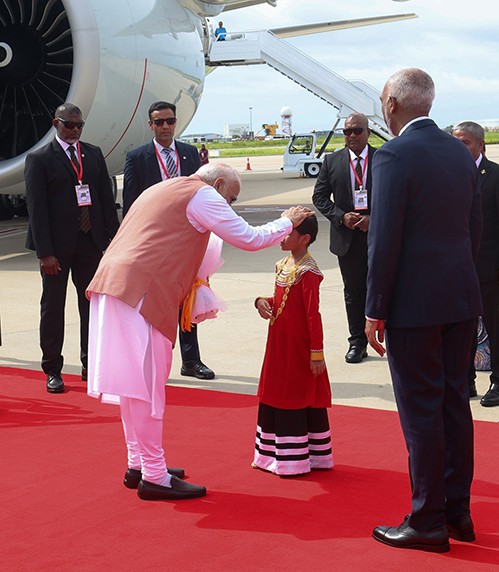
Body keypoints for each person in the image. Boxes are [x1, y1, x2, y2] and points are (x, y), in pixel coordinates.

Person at [86, 163, 313, 501]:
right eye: (231, 199)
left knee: (133, 387)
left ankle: (141, 464)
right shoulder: (203, 195)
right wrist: (287, 222)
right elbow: (249, 238)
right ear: (219, 184)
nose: (229, 207)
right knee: (147, 389)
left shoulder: (165, 187)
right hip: (140, 293)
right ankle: (154, 476)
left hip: (115, 286)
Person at [366, 68, 482, 553]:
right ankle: (458, 512)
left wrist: (375, 308)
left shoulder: (393, 154)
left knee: (421, 412)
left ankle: (427, 520)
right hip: (459, 296)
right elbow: (470, 226)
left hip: (415, 304)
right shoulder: (460, 150)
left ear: (391, 103)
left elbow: (384, 236)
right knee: (455, 405)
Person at [24, 103, 119, 394]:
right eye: (69, 125)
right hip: (56, 247)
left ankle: (90, 363)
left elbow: (105, 198)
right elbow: (36, 210)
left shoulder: (92, 154)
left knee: (91, 306)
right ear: (56, 123)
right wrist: (45, 252)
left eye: (79, 125)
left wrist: (113, 241)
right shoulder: (40, 159)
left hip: (89, 243)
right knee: (53, 308)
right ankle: (52, 368)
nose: (75, 130)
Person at [123, 101, 214, 381]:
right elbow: (131, 204)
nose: (165, 126)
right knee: (153, 303)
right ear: (150, 125)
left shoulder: (188, 154)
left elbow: (202, 195)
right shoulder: (137, 157)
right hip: (154, 242)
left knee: (187, 298)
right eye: (159, 122)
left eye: (170, 121)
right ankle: (149, 360)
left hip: (187, 239)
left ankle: (191, 360)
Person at [252, 215, 333, 476]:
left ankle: (294, 459)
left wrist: (316, 353)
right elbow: (280, 300)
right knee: (277, 390)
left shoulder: (308, 272)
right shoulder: (284, 264)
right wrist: (261, 301)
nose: (281, 237)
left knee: (295, 392)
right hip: (278, 344)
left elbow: (312, 314)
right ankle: (271, 455)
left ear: (304, 239)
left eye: (288, 233)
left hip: (298, 346)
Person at [452, 121, 499, 407]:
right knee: (461, 325)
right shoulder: (448, 174)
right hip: (457, 266)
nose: (459, 148)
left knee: (493, 323)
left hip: (490, 266)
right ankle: (466, 380)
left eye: (464, 142)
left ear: (481, 145)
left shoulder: (498, 176)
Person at [312, 112, 375, 363]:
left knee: (385, 289)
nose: (351, 136)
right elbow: (319, 198)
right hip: (347, 238)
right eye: (346, 131)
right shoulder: (332, 161)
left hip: (377, 236)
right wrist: (341, 217)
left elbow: (397, 197)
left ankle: (391, 339)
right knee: (354, 291)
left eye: (357, 130)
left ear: (368, 131)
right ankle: (357, 341)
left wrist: (375, 219)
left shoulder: (383, 159)